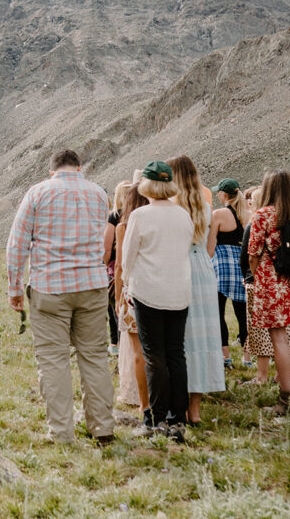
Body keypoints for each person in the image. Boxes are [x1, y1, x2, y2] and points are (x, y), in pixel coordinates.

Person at [6, 149, 114, 444]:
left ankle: (62, 433)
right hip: (92, 285)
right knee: (94, 358)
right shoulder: (99, 194)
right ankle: (102, 428)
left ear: (51, 170)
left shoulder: (38, 192)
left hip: (50, 287)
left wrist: (14, 289)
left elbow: (17, 244)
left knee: (53, 361)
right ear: (80, 167)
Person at [121, 161, 193, 442]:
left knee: (154, 356)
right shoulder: (183, 215)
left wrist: (127, 286)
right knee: (176, 354)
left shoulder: (141, 215)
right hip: (179, 293)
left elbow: (127, 259)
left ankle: (155, 417)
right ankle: (178, 418)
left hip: (149, 292)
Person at [167, 156, 224, 425]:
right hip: (203, 268)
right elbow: (210, 247)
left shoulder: (171, 207)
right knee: (203, 337)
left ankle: (177, 402)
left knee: (180, 337)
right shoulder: (206, 207)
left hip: (179, 267)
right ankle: (196, 409)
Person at [247, 170, 290, 416]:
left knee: (278, 339)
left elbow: (253, 251)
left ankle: (286, 399)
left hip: (272, 281)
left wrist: (257, 275)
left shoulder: (263, 215)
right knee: (285, 336)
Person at [114, 184, 150, 430]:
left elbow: (119, 266)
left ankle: (140, 400)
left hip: (132, 290)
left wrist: (117, 297)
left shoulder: (123, 227)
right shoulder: (154, 222)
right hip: (157, 287)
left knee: (136, 349)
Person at [208, 179, 250, 367]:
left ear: (224, 195)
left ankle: (226, 357)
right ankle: (247, 358)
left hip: (221, 266)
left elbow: (210, 247)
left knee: (219, 312)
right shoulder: (248, 214)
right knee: (243, 314)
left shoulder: (218, 214)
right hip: (241, 266)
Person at [104, 181, 131, 356]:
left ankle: (117, 343)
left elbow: (107, 246)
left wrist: (103, 264)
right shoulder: (138, 213)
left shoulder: (114, 216)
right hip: (136, 267)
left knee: (115, 305)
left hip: (116, 267)